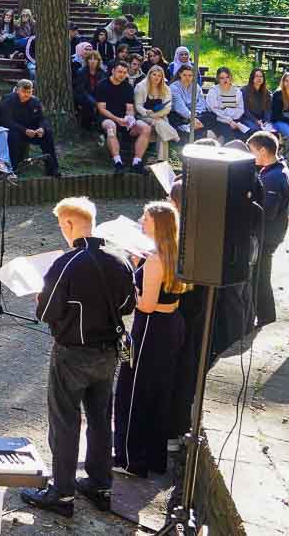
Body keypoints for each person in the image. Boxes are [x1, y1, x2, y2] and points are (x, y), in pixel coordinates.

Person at [22, 197, 135, 518]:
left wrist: (39, 297)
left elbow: (46, 312)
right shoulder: (120, 259)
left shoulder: (67, 262)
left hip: (72, 353)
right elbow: (128, 304)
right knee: (101, 419)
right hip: (108, 351)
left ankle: (62, 492)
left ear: (69, 224)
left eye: (61, 227)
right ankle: (100, 485)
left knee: (65, 421)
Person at [112, 201, 190, 479]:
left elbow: (145, 304)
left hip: (151, 328)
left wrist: (129, 283)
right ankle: (153, 457)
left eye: (145, 218)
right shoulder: (175, 251)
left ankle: (131, 459)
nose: (141, 222)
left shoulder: (156, 258)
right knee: (158, 391)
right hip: (170, 324)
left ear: (157, 224)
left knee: (133, 392)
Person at [247, 131, 289, 329]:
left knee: (260, 278)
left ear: (263, 150)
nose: (251, 155)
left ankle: (266, 319)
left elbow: (267, 213)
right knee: (260, 276)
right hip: (271, 233)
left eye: (253, 151)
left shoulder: (274, 177)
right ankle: (265, 316)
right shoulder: (275, 168)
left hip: (268, 236)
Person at [94, 61, 152, 174]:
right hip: (107, 119)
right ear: (113, 71)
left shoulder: (128, 87)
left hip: (123, 120)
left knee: (146, 128)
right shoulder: (102, 85)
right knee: (111, 127)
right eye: (120, 71)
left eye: (125, 72)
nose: (122, 74)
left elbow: (130, 108)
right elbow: (102, 109)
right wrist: (117, 119)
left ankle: (137, 162)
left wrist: (129, 118)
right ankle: (118, 162)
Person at [1, 79, 60, 177]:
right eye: (24, 92)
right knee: (13, 136)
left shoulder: (35, 101)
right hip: (16, 130)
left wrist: (41, 128)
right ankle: (13, 169)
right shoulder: (8, 100)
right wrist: (24, 130)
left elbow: (42, 118)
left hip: (32, 131)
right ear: (17, 90)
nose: (26, 95)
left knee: (47, 133)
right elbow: (7, 121)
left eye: (29, 92)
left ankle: (52, 168)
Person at [134, 66, 179, 160]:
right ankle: (174, 135)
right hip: (143, 115)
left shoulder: (166, 89)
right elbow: (138, 106)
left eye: (159, 76)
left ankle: (161, 160)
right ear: (149, 74)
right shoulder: (141, 87)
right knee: (159, 123)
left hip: (159, 116)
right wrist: (149, 114)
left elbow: (167, 108)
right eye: (154, 74)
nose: (156, 77)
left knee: (161, 124)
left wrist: (156, 116)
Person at [205, 68, 249, 142]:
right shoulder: (213, 91)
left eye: (227, 77)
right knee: (229, 135)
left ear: (230, 77)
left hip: (235, 120)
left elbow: (240, 110)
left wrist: (231, 117)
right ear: (218, 79)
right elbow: (216, 110)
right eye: (222, 78)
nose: (225, 80)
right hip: (218, 120)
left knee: (245, 134)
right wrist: (229, 120)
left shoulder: (237, 92)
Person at [271, 71, 289, 160]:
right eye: (286, 81)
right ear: (283, 82)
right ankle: (286, 159)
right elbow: (275, 115)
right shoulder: (278, 94)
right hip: (279, 120)